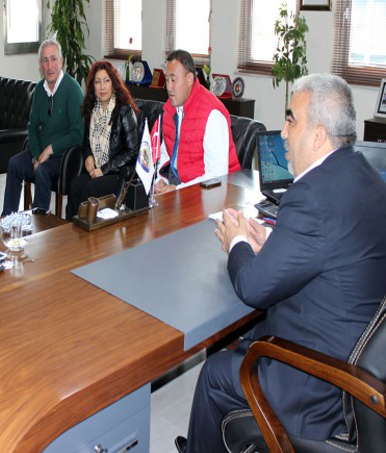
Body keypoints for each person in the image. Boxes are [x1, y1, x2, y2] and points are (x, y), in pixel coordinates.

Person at [176, 73, 386, 452]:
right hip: (351, 354)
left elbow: (253, 288)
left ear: (319, 136)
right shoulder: (364, 175)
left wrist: (237, 239)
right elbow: (333, 247)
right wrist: (273, 238)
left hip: (316, 388)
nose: (284, 132)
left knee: (214, 371)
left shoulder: (311, 195)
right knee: (245, 343)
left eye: (291, 120)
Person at [2, 38, 84, 215]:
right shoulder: (39, 89)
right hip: (40, 154)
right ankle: (7, 219)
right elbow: (32, 128)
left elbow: (78, 134)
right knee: (14, 164)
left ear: (61, 61)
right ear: (40, 65)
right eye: (45, 60)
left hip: (64, 156)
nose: (49, 65)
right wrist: (36, 157)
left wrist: (49, 150)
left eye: (53, 59)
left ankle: (40, 223)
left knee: (43, 172)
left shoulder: (72, 89)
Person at [155, 50, 240, 195]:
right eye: (166, 80)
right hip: (179, 183)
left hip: (210, 190)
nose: (168, 87)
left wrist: (177, 190)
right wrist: (161, 179)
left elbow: (216, 176)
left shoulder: (212, 114)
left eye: (173, 80)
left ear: (189, 79)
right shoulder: (170, 107)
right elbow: (165, 150)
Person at [65, 61, 139, 221]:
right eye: (97, 82)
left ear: (113, 83)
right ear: (93, 86)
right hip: (97, 168)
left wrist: (105, 169)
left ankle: (85, 232)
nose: (102, 87)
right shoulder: (91, 109)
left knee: (90, 189)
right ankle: (69, 229)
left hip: (117, 174)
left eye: (106, 80)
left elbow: (132, 151)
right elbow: (86, 142)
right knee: (76, 185)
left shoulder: (124, 110)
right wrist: (88, 156)